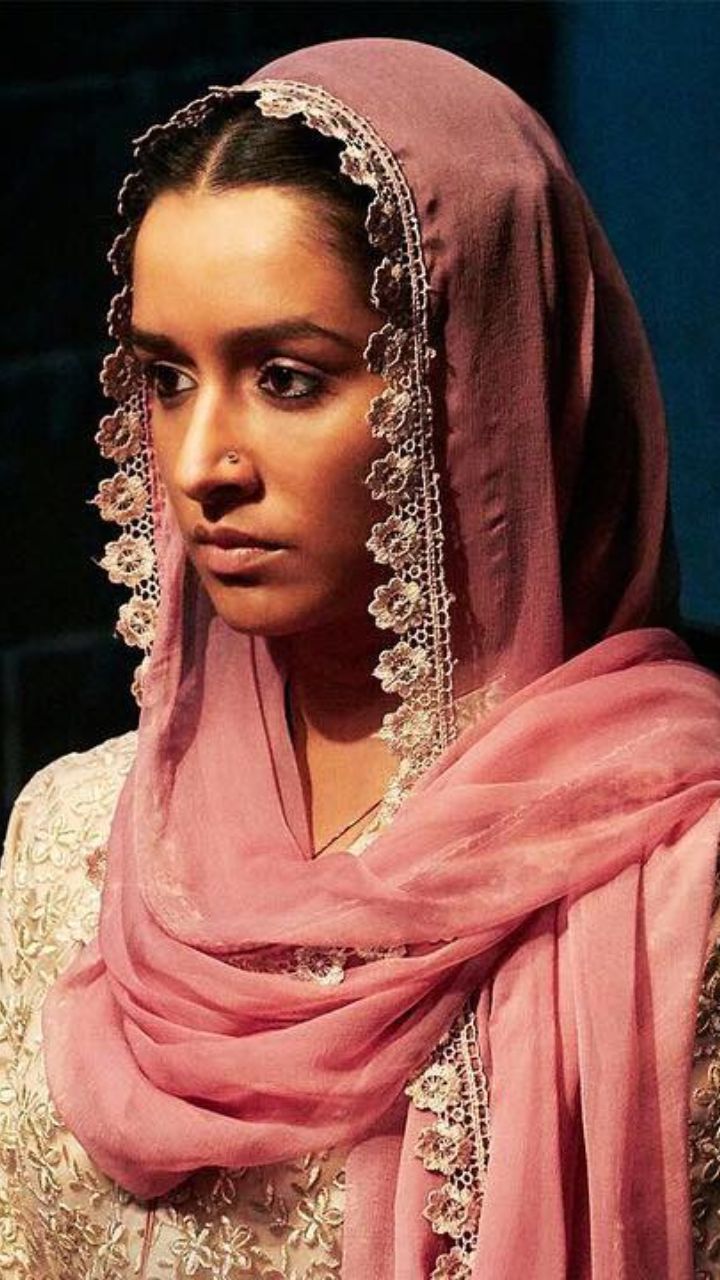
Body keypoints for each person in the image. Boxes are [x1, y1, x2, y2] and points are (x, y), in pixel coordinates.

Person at [1, 35, 720, 1280]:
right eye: (168, 378)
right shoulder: (74, 840)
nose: (201, 464)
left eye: (287, 378)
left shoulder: (678, 879)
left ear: (478, 389)